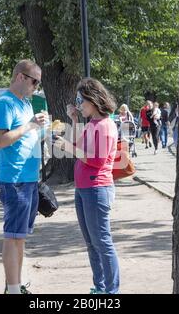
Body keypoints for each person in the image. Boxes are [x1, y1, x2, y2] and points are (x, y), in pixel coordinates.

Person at [54, 78, 120, 294]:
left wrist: (68, 148)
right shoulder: (92, 123)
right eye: (77, 100)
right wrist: (74, 119)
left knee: (102, 242)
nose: (78, 103)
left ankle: (111, 292)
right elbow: (80, 144)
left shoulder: (106, 126)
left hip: (97, 189)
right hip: (84, 189)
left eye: (81, 100)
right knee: (92, 243)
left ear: (93, 99)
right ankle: (100, 287)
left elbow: (96, 160)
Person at [0, 59, 47, 294]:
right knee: (13, 236)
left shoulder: (25, 104)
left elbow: (29, 136)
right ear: (20, 77)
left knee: (20, 236)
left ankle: (16, 285)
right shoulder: (4, 104)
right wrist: (30, 126)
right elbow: (0, 141)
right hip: (13, 179)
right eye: (35, 81)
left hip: (28, 178)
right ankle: (12, 289)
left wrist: (45, 131)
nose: (36, 86)